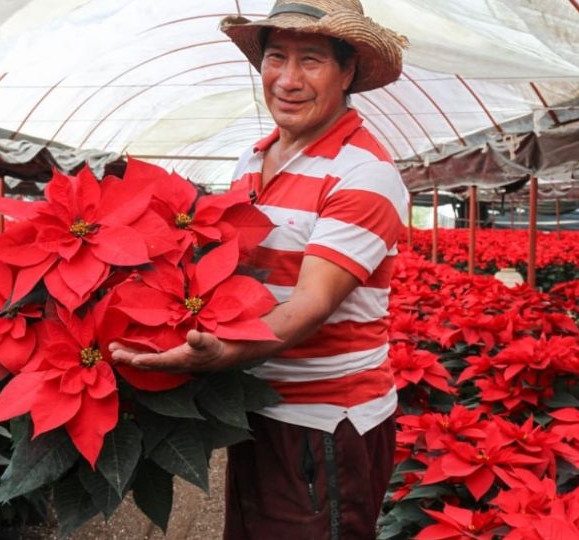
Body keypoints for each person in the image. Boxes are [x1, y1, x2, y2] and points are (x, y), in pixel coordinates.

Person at [111, 1, 409, 537]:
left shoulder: (364, 172)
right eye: (276, 57)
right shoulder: (253, 159)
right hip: (258, 408)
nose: (288, 79)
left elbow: (309, 303)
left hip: (323, 420)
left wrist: (220, 354)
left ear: (349, 72)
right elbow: (229, 268)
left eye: (312, 60)